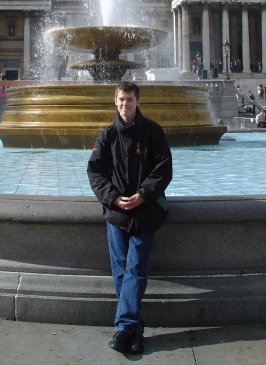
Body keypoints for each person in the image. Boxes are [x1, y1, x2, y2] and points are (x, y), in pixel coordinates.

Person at [87, 81, 173, 355]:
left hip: (145, 211)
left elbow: (163, 169)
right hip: (116, 212)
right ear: (116, 102)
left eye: (130, 100)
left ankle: (124, 326)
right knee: (122, 270)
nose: (125, 104)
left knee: (135, 268)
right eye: (121, 100)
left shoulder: (153, 132)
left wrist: (143, 195)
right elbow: (96, 173)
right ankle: (134, 329)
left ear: (138, 102)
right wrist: (113, 197)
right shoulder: (107, 136)